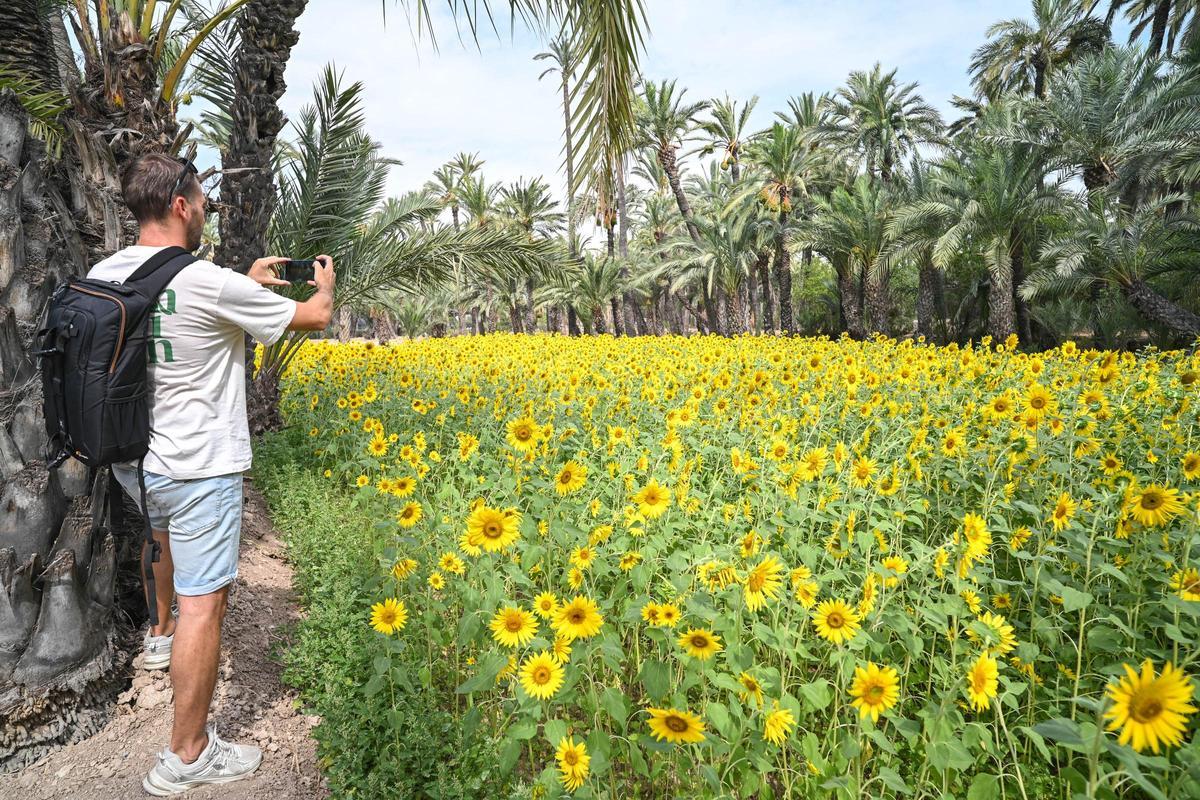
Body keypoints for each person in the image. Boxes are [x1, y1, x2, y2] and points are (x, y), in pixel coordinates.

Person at [87, 152, 335, 796]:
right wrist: (326, 284)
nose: (203, 213)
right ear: (179, 205)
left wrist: (244, 281)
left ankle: (158, 637)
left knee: (160, 543)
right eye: (201, 202)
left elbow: (179, 316)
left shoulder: (105, 272)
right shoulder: (204, 281)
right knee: (208, 603)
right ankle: (187, 752)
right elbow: (313, 319)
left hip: (136, 461)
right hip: (200, 467)